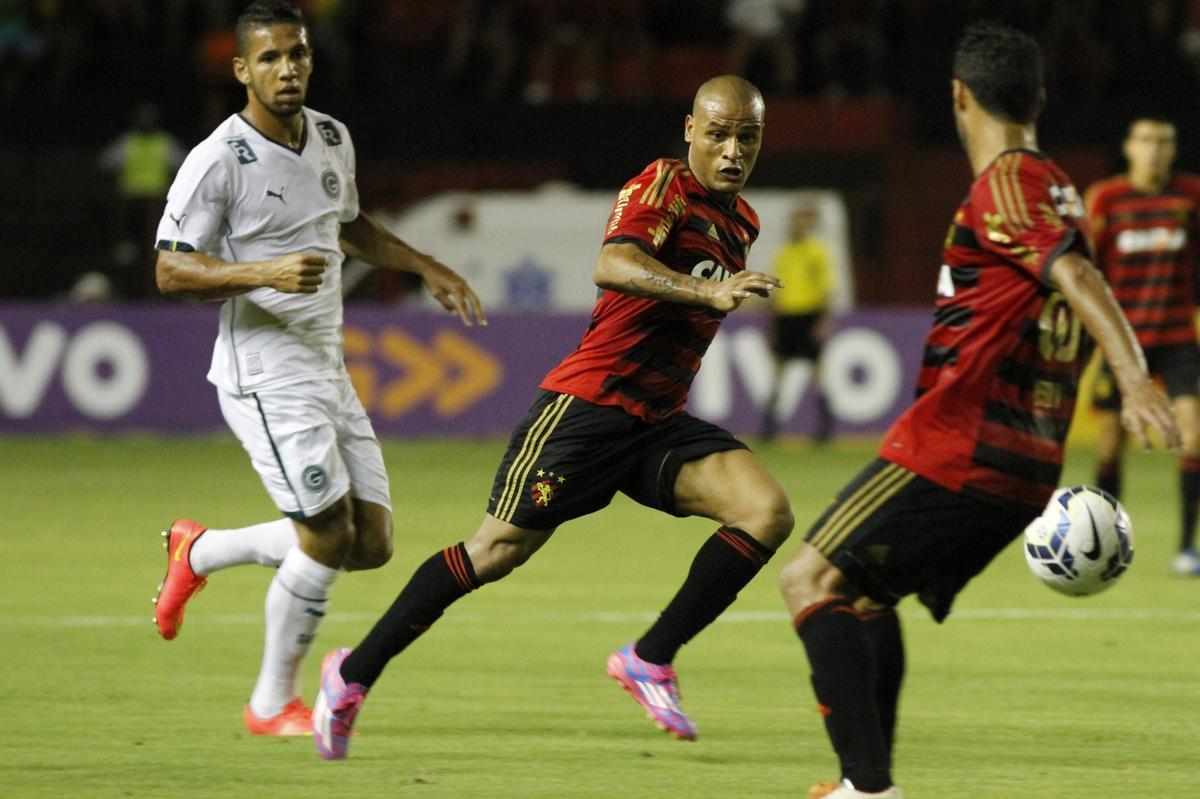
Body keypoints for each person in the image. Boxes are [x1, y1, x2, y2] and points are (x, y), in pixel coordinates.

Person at [311, 75, 794, 760]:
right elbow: (613, 262)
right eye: (718, 133)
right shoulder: (662, 186)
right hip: (587, 411)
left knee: (765, 511)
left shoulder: (741, 221)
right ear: (690, 129)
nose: (732, 150)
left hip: (655, 421)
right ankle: (351, 672)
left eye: (748, 136)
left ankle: (649, 659)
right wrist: (702, 293)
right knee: (494, 551)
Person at [777, 23, 1180, 799]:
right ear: (1039, 99)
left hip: (958, 444)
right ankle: (866, 783)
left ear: (958, 97)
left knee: (810, 579)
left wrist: (1134, 380)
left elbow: (1084, 286)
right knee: (864, 594)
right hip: (1025, 459)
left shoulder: (1006, 184)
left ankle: (868, 788)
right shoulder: (1057, 185)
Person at [151, 0, 484, 737]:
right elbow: (170, 272)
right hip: (264, 370)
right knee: (327, 534)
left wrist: (425, 263)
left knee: (372, 541)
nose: (288, 69)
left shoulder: (332, 136)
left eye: (296, 54)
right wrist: (263, 270)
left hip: (325, 363)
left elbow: (347, 223)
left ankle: (199, 550)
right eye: (269, 58)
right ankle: (272, 702)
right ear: (241, 70)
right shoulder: (217, 158)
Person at [1085, 117, 1200, 576]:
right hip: (1123, 343)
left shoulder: (1190, 197)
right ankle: (1105, 546)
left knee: (1194, 434)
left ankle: (1187, 548)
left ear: (1173, 151)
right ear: (1129, 147)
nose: (1155, 150)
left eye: (1164, 142)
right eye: (1146, 141)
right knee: (1111, 444)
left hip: (1176, 338)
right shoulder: (1107, 200)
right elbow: (1086, 270)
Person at [761, 203, 834, 441]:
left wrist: (823, 321)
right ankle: (769, 425)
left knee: (817, 371)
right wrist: (772, 323)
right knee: (779, 370)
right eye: (796, 221)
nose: (799, 226)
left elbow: (826, 289)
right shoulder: (784, 253)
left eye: (804, 221)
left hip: (809, 314)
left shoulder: (817, 252)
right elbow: (775, 293)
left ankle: (825, 426)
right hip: (786, 316)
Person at [100, 102, 185, 298]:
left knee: (157, 244)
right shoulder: (127, 142)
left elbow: (184, 165)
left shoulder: (165, 142)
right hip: (131, 205)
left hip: (158, 206)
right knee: (130, 245)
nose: (145, 122)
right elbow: (104, 162)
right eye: (141, 118)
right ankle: (125, 245)